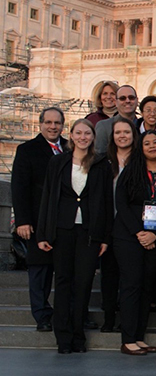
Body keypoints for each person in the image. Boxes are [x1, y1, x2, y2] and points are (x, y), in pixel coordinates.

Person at [37, 119, 113, 354]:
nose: (82, 137)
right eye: (78, 133)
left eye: (87, 133)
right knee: (62, 282)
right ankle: (63, 337)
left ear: (92, 137)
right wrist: (43, 233)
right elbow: (48, 197)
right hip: (62, 230)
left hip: (89, 232)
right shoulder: (58, 162)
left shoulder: (101, 164)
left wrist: (105, 237)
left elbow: (106, 203)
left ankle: (78, 336)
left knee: (83, 284)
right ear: (71, 135)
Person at [11, 107, 67, 332]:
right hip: (36, 221)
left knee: (65, 270)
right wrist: (22, 220)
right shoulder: (27, 150)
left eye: (57, 123)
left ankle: (67, 314)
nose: (53, 127)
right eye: (49, 122)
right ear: (41, 124)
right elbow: (19, 187)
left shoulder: (71, 147)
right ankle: (42, 316)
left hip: (66, 221)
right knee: (40, 271)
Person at [114, 130, 156, 355]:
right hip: (129, 235)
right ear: (141, 147)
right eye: (147, 143)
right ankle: (127, 339)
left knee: (147, 287)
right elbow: (121, 203)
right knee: (131, 285)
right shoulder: (131, 171)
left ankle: (139, 336)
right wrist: (139, 232)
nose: (152, 146)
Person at [101, 115, 138, 333]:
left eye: (126, 132)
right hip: (108, 224)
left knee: (129, 277)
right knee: (109, 275)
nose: (122, 136)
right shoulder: (103, 162)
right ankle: (108, 317)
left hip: (130, 226)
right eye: (118, 133)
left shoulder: (139, 161)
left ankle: (127, 317)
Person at [96, 85, 138, 154]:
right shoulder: (104, 127)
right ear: (115, 102)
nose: (127, 101)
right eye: (122, 98)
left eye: (131, 97)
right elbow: (99, 156)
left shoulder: (143, 125)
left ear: (137, 100)